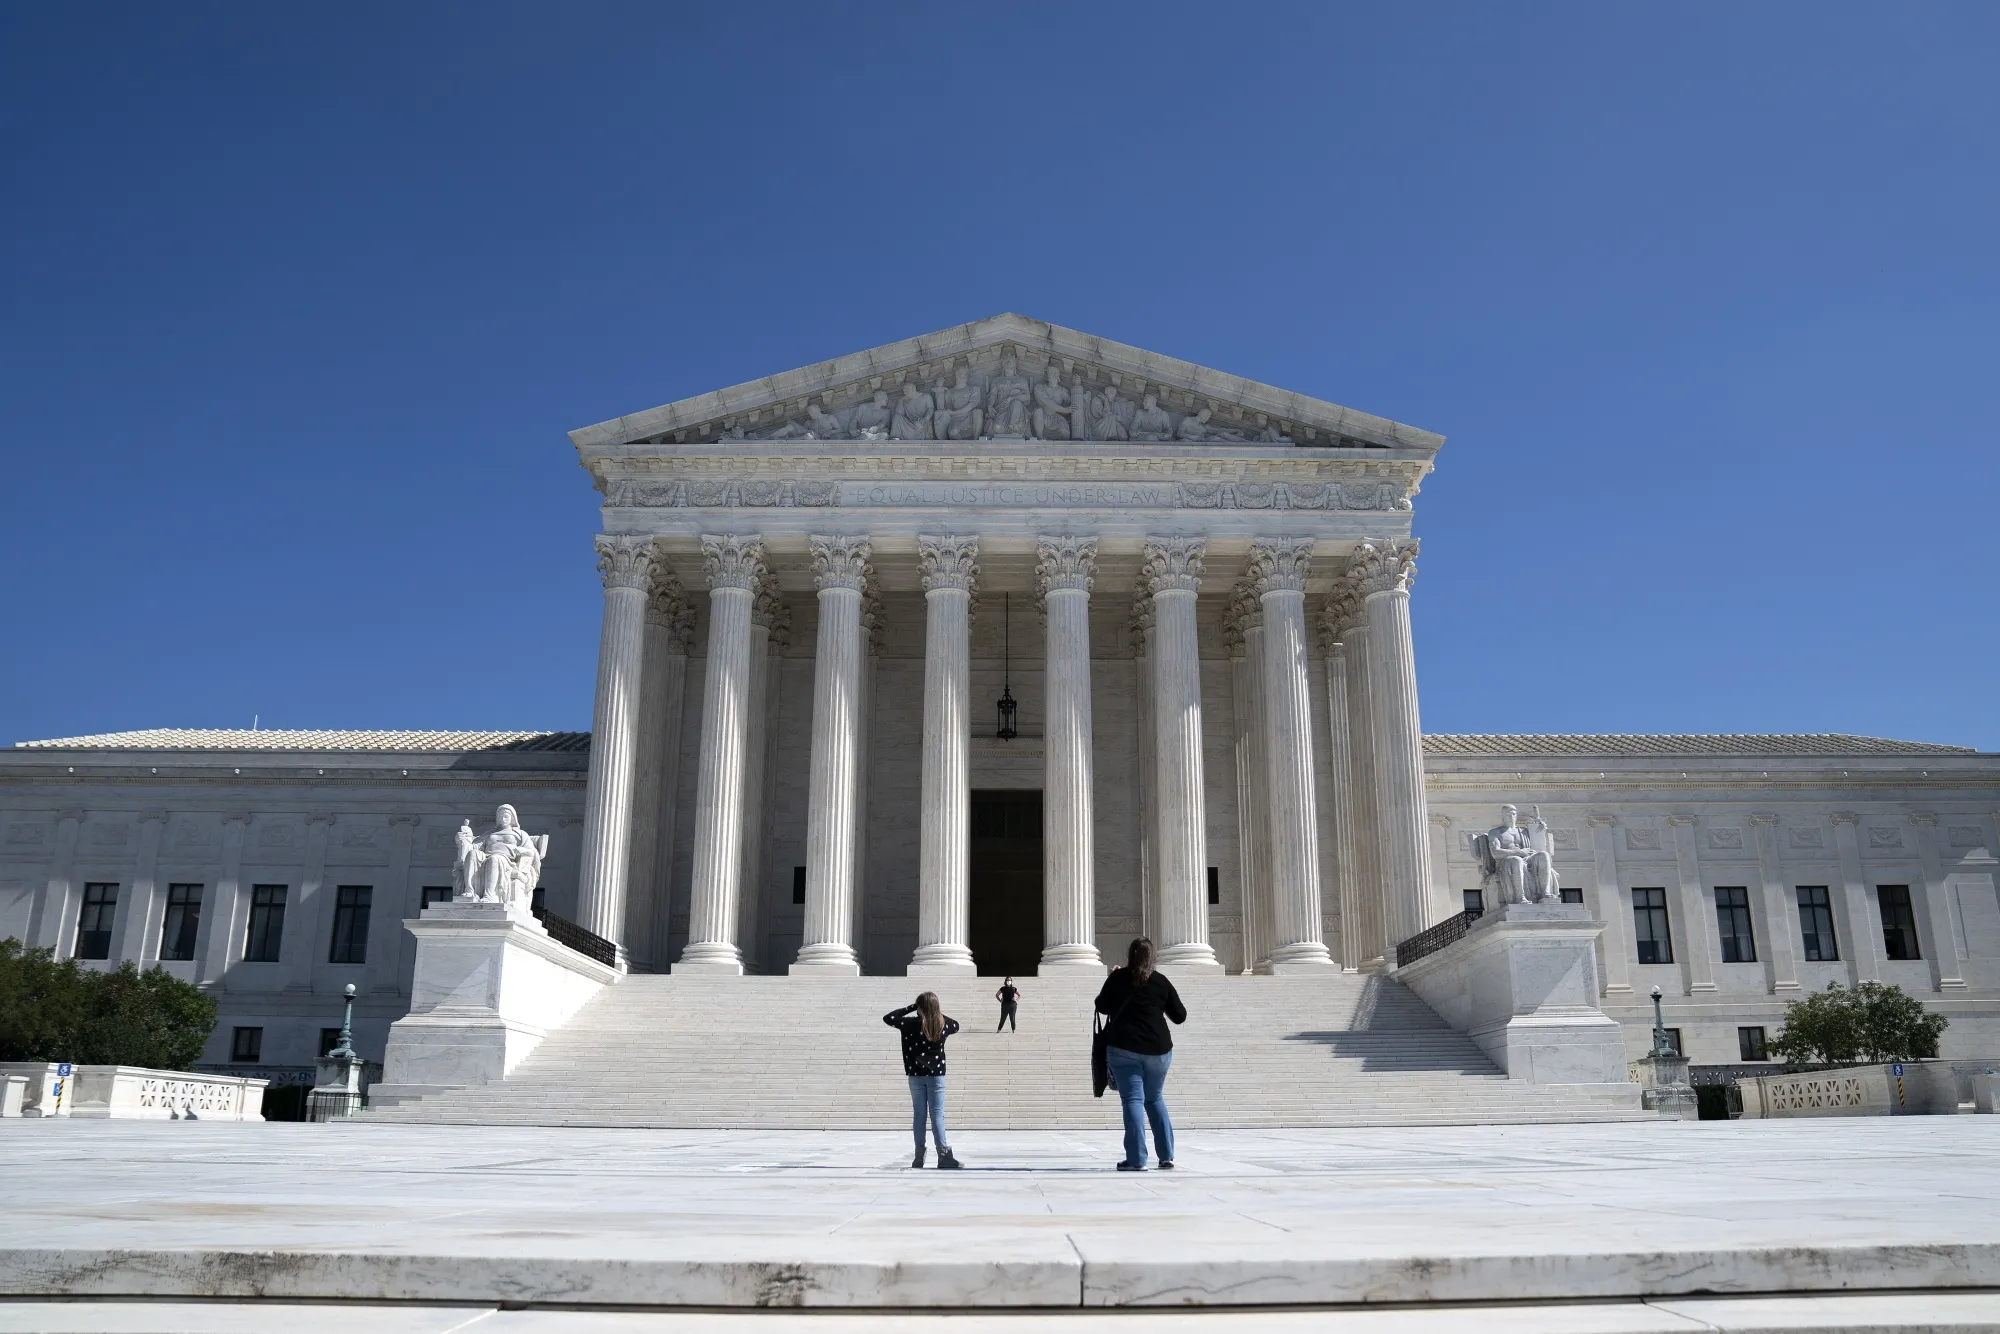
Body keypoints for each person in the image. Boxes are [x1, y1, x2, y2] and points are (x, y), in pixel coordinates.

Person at [1094, 937, 1186, 1171]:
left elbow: (1102, 1005)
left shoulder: (1117, 977)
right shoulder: (1160, 981)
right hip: (1158, 1050)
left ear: (1130, 955)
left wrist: (1113, 980)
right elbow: (1180, 1016)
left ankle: (1136, 1159)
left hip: (1124, 1049)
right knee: (1154, 1099)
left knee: (1133, 1100)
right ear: (1151, 957)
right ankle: (1167, 1156)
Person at [884, 992, 962, 1169]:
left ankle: (919, 1156)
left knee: (919, 1115)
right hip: (936, 1076)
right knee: (937, 1115)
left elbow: (889, 1018)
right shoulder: (943, 1024)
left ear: (919, 1007)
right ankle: (944, 1156)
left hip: (915, 1075)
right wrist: (935, 1011)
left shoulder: (909, 1023)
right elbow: (956, 1025)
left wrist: (912, 1007)